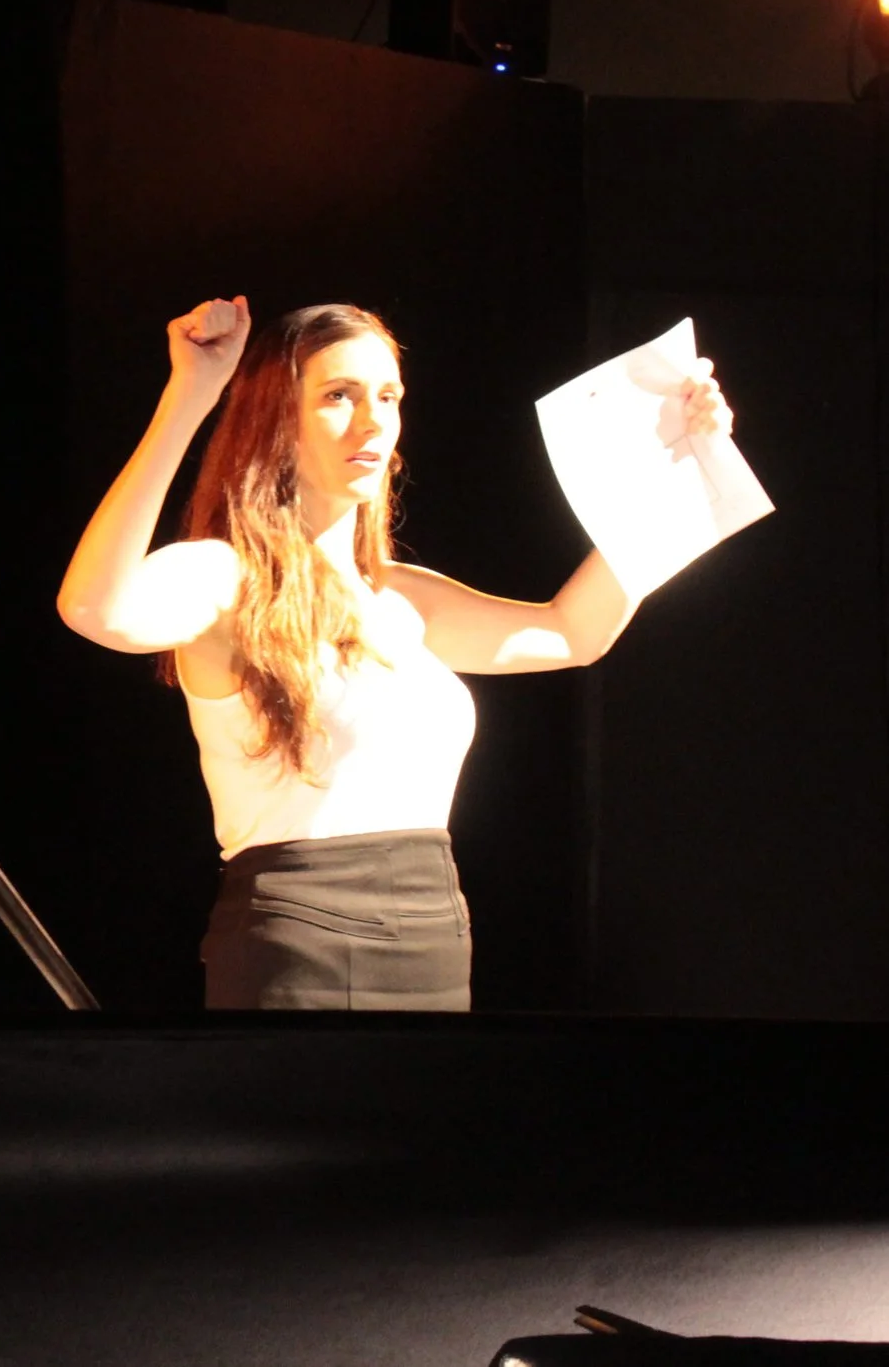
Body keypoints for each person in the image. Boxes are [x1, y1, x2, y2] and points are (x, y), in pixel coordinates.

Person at [57, 298, 733, 1011]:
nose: (374, 420)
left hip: (434, 938)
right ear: (279, 418)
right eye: (338, 396)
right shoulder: (228, 577)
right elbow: (94, 607)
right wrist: (190, 394)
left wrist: (678, 462)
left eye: (388, 396)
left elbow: (574, 632)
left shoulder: (400, 595)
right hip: (299, 942)